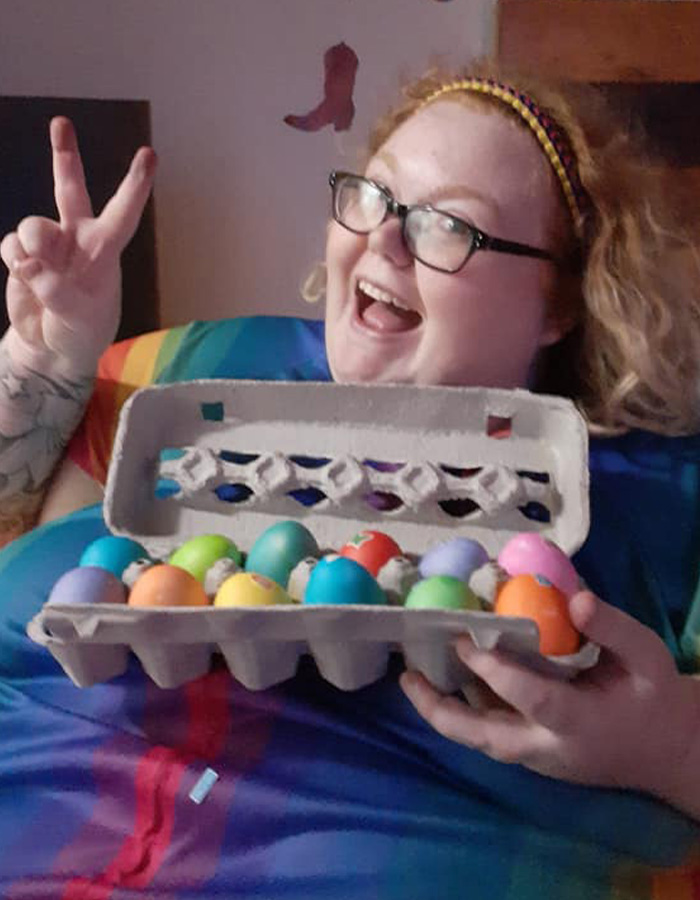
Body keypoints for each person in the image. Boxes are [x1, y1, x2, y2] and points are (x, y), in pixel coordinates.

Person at [2, 57, 700, 897]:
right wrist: (47, 362)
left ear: (561, 302)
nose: (383, 237)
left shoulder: (663, 491)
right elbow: (15, 508)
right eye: (373, 195)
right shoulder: (203, 374)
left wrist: (671, 748)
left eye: (447, 225)